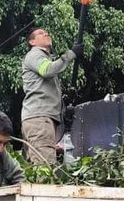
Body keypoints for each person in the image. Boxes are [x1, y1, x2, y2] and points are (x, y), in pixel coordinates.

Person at [21, 27, 81, 165]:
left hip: (39, 119)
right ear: (32, 42)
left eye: (46, 32)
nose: (46, 34)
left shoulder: (42, 58)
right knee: (44, 167)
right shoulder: (34, 54)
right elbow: (47, 70)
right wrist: (71, 54)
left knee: (40, 165)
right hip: (39, 119)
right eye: (41, 33)